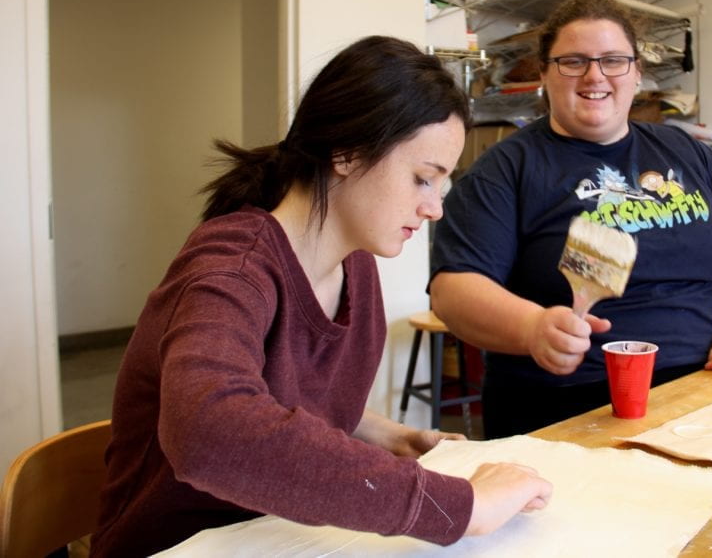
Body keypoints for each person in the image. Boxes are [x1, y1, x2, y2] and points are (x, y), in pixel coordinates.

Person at [90, 36, 552, 557]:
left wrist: (386, 436)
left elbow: (286, 393)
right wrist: (457, 507)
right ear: (348, 152)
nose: (434, 210)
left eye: (440, 187)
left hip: (275, 536)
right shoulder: (230, 268)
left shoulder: (355, 263)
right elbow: (207, 431)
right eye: (423, 179)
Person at [429, 0, 712, 438]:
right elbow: (453, 291)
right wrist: (532, 327)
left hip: (707, 386)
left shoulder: (684, 151)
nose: (595, 75)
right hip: (574, 403)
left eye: (614, 60)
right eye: (572, 61)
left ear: (637, 73)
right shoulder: (505, 170)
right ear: (543, 73)